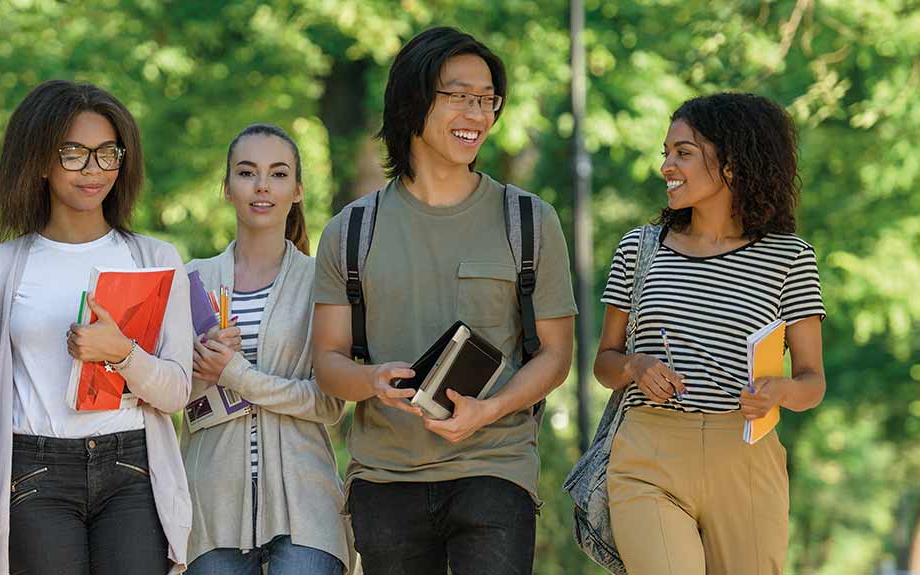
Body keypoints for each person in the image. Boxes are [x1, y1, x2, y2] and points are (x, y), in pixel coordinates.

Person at [309, 26, 578, 575]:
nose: (477, 114)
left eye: (487, 100)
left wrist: (491, 409)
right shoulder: (350, 231)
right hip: (385, 479)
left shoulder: (529, 221)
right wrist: (371, 380)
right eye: (458, 96)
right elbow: (328, 361)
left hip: (496, 468)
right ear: (413, 101)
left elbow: (555, 354)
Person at [0, 79, 195, 575]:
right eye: (74, 154)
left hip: (132, 469)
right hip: (34, 472)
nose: (94, 170)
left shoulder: (154, 259)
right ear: (40, 161)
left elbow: (176, 392)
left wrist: (122, 352)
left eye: (108, 153)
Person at [594, 92, 826, 575]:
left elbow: (812, 383)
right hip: (648, 452)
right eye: (666, 152)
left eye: (683, 153)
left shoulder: (790, 258)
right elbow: (604, 363)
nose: (666, 166)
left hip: (744, 455)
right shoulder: (639, 249)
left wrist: (777, 391)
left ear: (733, 166)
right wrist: (635, 366)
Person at [181, 123, 349, 575]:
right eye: (246, 172)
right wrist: (199, 368)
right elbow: (170, 399)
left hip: (306, 510)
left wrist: (237, 373)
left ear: (297, 190)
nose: (261, 186)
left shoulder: (322, 283)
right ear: (227, 188)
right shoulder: (190, 279)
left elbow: (330, 402)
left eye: (277, 174)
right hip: (211, 511)